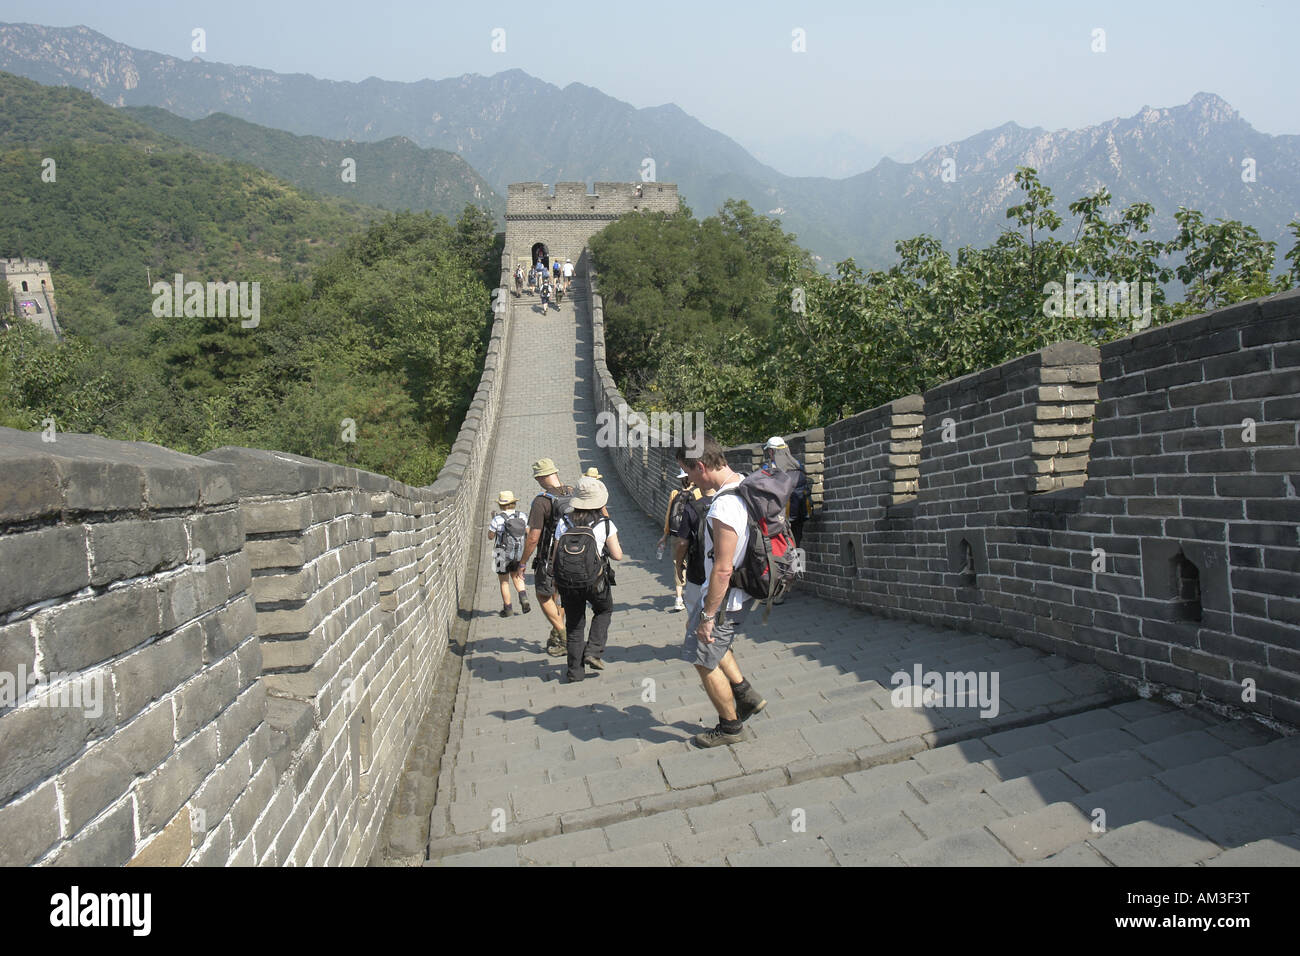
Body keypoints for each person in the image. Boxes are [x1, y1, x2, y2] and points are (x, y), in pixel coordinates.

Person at [676, 434, 767, 748]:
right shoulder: (744, 484)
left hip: (725, 598)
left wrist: (708, 615)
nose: (688, 480)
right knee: (714, 647)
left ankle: (730, 727)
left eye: (688, 473)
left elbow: (723, 568)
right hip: (737, 594)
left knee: (702, 659)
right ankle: (745, 695)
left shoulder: (723, 506)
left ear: (701, 466)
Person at [551, 477, 623, 682]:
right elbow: (618, 555)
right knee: (604, 609)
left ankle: (574, 672)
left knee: (574, 625)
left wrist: (556, 581)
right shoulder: (605, 524)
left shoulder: (564, 521)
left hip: (568, 583)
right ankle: (593, 650)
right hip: (595, 581)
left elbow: (556, 555)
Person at [520, 458, 572, 656]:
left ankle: (564, 636)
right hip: (574, 556)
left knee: (543, 596)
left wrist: (523, 562)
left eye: (537, 478)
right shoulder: (573, 492)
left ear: (542, 477)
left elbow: (533, 537)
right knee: (559, 596)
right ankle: (556, 635)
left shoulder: (542, 501)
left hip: (550, 558)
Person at [656, 468, 699, 612]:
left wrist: (665, 535)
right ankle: (695, 596)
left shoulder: (675, 493)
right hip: (693, 535)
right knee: (695, 563)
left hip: (676, 534)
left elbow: (669, 514)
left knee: (678, 564)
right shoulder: (698, 493)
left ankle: (678, 598)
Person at [487, 490, 531, 617]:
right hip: (518, 552)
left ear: (500, 505)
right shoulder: (522, 516)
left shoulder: (497, 519)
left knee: (504, 581)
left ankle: (508, 608)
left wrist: (494, 523)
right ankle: (524, 598)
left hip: (501, 553)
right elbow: (528, 532)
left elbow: (490, 536)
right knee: (517, 576)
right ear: (513, 503)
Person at [763, 436, 811, 547]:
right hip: (799, 512)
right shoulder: (797, 464)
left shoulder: (770, 468)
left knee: (783, 546)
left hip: (780, 516)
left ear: (771, 451)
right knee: (796, 542)